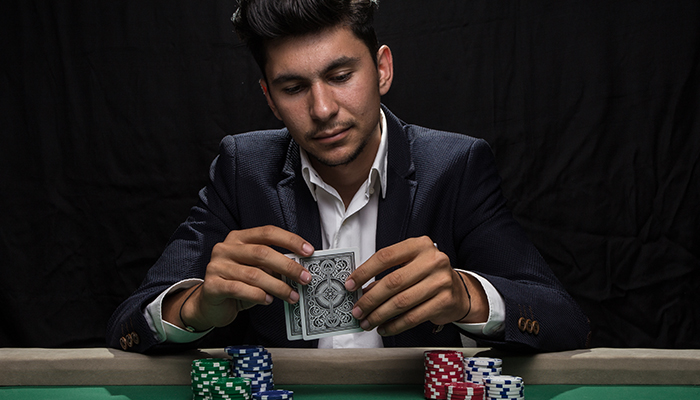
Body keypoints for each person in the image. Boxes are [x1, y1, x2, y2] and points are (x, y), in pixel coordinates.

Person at [107, 0, 589, 353]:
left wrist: (466, 297)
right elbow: (127, 326)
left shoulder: (456, 166)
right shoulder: (241, 167)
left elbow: (565, 322)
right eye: (294, 88)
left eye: (340, 76)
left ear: (381, 69)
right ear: (270, 99)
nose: (322, 110)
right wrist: (192, 309)